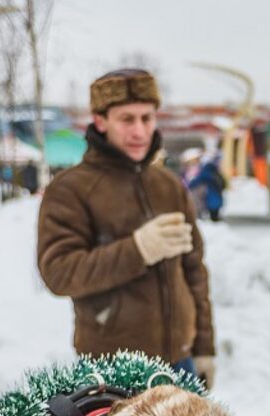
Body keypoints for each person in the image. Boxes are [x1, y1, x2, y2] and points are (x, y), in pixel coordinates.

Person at [36, 68, 216, 388]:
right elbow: (58, 272)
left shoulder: (168, 186)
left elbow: (194, 271)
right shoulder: (70, 189)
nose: (139, 131)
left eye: (147, 118)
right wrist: (138, 250)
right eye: (127, 119)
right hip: (113, 368)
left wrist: (204, 347)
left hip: (181, 361)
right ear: (100, 121)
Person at [188, 152, 226, 222]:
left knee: (212, 210)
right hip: (217, 196)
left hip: (209, 196)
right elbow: (223, 184)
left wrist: (190, 186)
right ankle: (215, 219)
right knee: (215, 211)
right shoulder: (216, 174)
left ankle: (214, 220)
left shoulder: (205, 174)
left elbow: (195, 181)